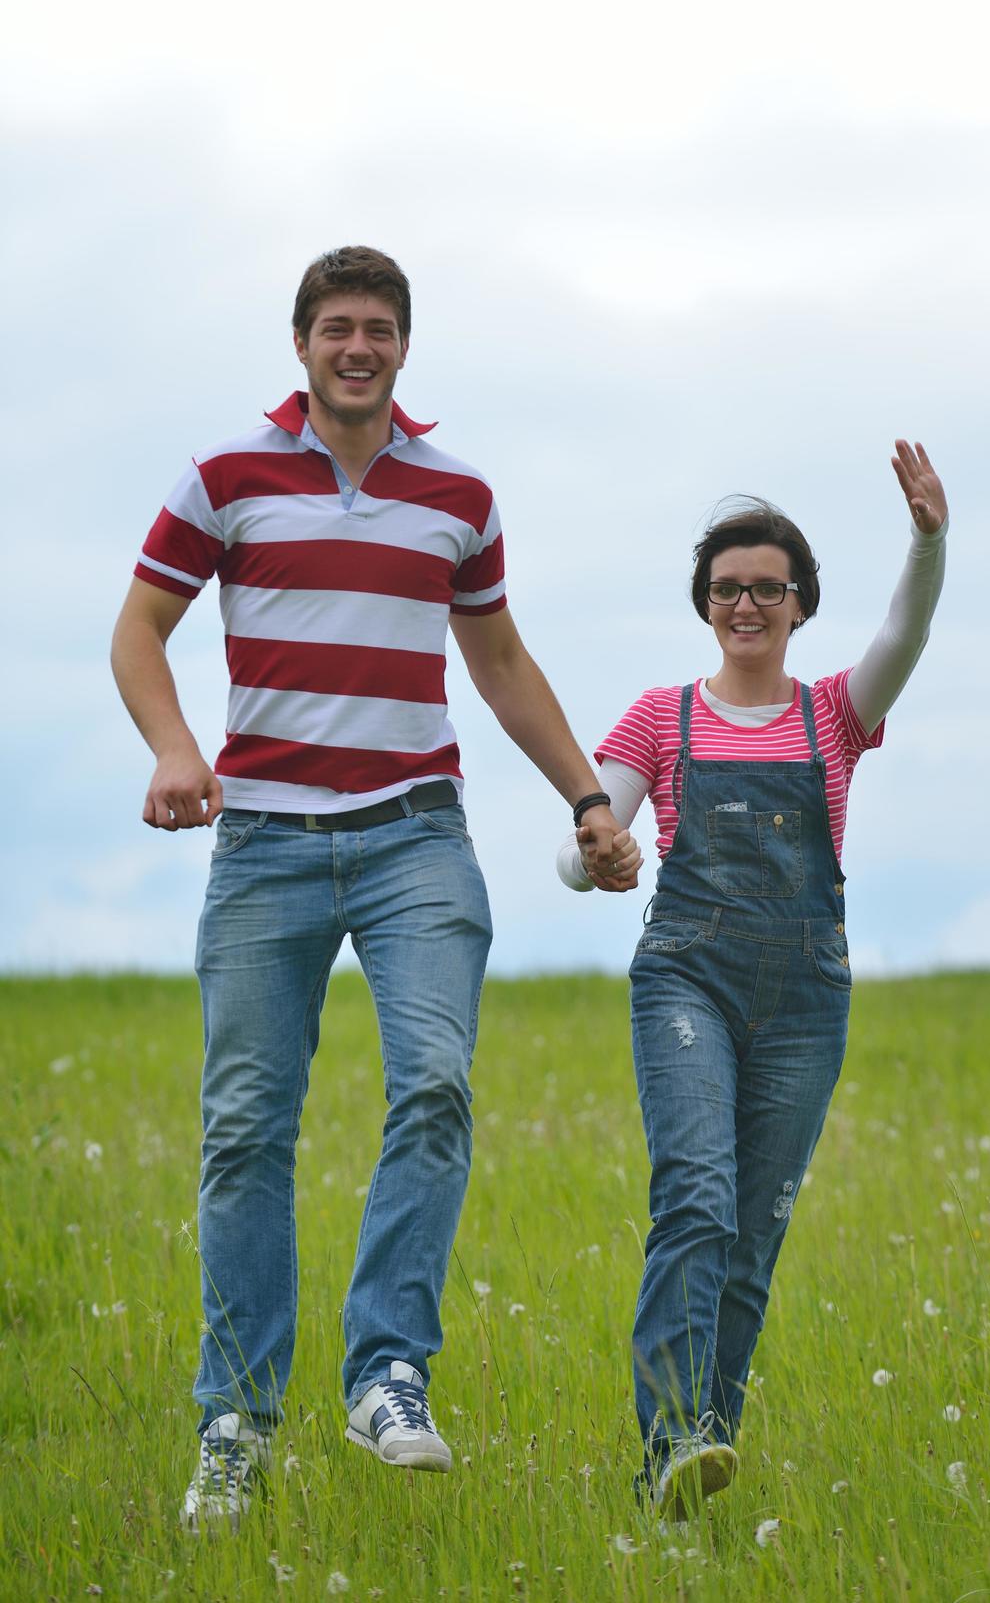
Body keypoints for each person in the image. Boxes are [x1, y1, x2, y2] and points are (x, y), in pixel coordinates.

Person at [111, 245, 640, 1532]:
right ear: (300, 344)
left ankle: (387, 1372)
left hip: (417, 838)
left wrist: (586, 796)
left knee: (438, 1084)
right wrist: (179, 751)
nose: (360, 346)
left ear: (405, 346)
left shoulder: (458, 492)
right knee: (246, 1128)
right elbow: (139, 630)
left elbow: (501, 659)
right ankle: (233, 1422)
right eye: (338, 327)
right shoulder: (226, 475)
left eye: (381, 329)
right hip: (268, 846)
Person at [559, 443, 947, 1516]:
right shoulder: (659, 716)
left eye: (767, 587)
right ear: (705, 603)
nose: (746, 603)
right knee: (696, 1197)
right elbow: (591, 831)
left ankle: (684, 1466)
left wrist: (929, 539)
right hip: (687, 976)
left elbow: (904, 633)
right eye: (728, 588)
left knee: (753, 1231)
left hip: (806, 995)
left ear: (799, 603)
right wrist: (595, 852)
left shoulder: (834, 714)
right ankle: (675, 1431)